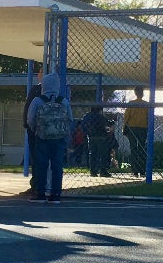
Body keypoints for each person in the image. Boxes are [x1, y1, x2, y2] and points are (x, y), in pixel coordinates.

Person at [26, 72, 73, 204]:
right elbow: (70, 119)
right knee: (57, 165)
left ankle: (40, 193)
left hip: (42, 137)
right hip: (59, 138)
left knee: (41, 164)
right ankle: (56, 194)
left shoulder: (38, 100)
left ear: (44, 86)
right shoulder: (63, 101)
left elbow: (30, 119)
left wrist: (36, 129)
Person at [20, 82, 42, 195]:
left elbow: (28, 109)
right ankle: (54, 187)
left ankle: (37, 186)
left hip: (36, 130)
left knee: (36, 158)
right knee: (54, 159)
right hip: (55, 132)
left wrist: (28, 125)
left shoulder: (36, 91)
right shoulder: (59, 95)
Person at [123, 86, 148, 177]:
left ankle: (135, 170)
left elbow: (126, 117)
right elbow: (149, 117)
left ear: (135, 93)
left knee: (133, 149)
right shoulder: (146, 104)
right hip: (143, 127)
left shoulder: (131, 103)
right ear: (142, 93)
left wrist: (124, 128)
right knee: (142, 148)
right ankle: (142, 169)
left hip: (132, 127)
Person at [82, 106, 111, 177]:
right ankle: (103, 171)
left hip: (91, 137)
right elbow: (107, 124)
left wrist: (87, 133)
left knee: (92, 154)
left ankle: (93, 171)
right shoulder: (101, 117)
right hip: (101, 137)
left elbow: (83, 126)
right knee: (103, 154)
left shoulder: (86, 116)